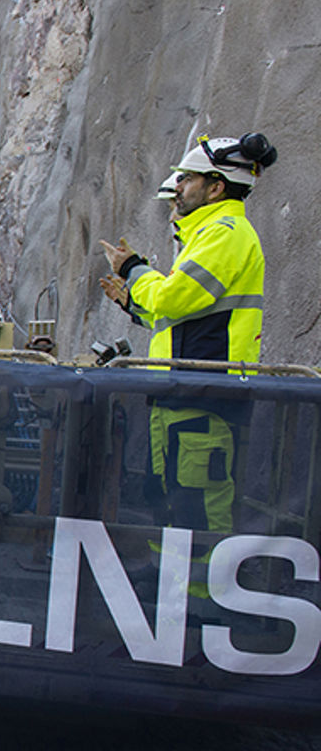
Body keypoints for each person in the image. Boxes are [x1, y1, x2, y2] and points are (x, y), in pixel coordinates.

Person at [100, 132, 277, 535]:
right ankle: (168, 581)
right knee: (166, 499)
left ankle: (197, 595)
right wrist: (131, 303)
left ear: (215, 187)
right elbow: (182, 320)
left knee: (197, 510)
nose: (177, 188)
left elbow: (173, 299)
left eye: (186, 179)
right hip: (183, 392)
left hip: (205, 394)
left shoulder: (225, 234)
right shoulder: (207, 235)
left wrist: (133, 268)